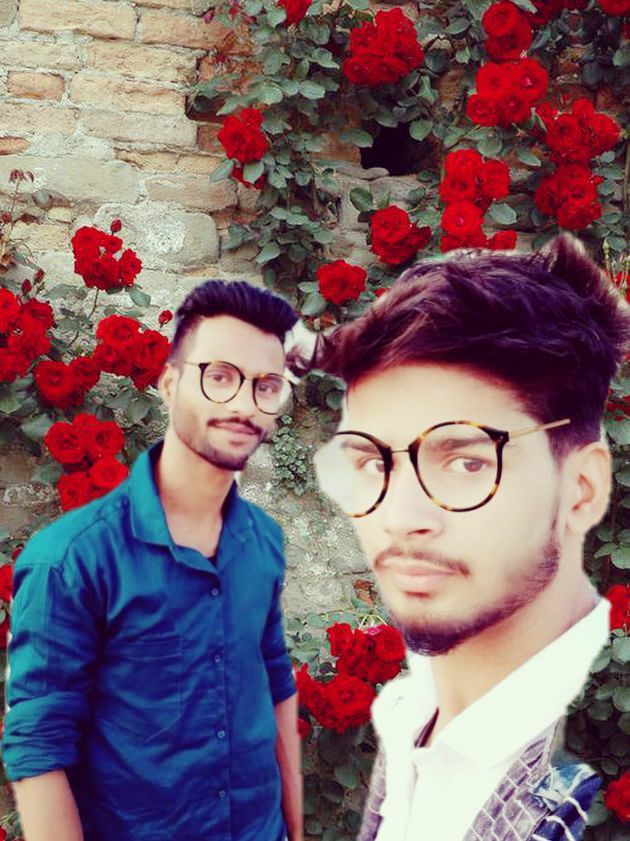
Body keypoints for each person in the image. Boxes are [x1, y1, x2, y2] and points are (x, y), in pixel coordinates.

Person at [308, 235, 629, 841]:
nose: (400, 516)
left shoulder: (582, 786)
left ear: (581, 489)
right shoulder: (408, 717)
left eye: (466, 462)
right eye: (374, 462)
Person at [2, 280, 303, 841]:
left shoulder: (262, 539)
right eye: (220, 376)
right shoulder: (70, 559)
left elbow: (273, 681)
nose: (244, 405)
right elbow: (38, 747)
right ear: (168, 384)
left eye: (266, 386)